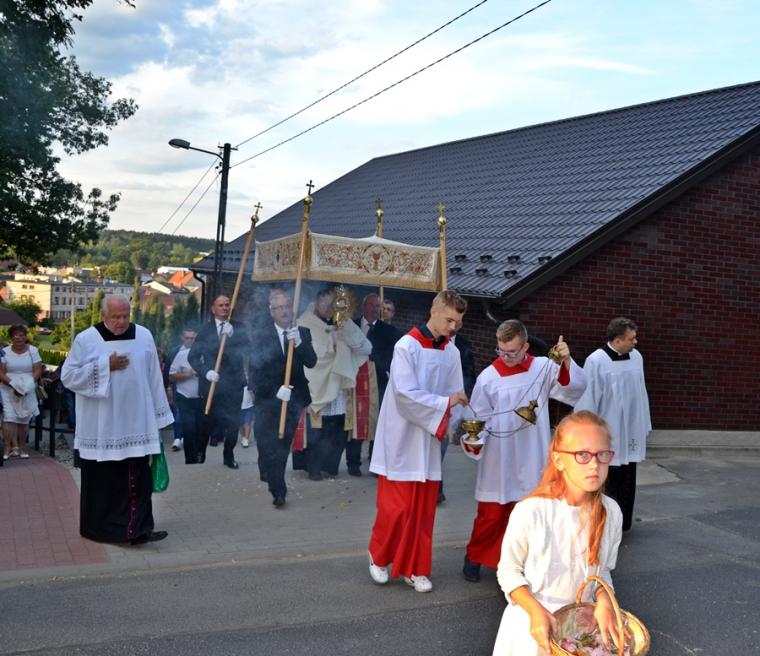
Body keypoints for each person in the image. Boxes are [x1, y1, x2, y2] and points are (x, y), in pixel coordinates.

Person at [461, 319, 586, 583]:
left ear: (525, 347)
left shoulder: (542, 367)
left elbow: (571, 388)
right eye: (500, 351)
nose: (505, 357)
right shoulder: (488, 377)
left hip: (532, 453)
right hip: (500, 456)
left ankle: (521, 566)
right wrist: (474, 440)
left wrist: (566, 360)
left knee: (530, 514)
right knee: (492, 514)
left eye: (511, 352)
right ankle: (474, 556)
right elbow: (477, 417)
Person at [492, 411, 623, 656]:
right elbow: (508, 571)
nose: (594, 464)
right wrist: (534, 611)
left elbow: (602, 570)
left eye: (602, 454)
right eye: (582, 454)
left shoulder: (611, 512)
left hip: (582, 629)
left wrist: (605, 599)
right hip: (533, 623)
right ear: (559, 459)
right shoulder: (532, 510)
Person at [367, 290, 469, 593]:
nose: (453, 327)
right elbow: (404, 394)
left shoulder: (451, 351)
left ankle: (415, 568)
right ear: (434, 311)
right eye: (449, 320)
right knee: (396, 508)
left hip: (429, 438)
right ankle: (378, 555)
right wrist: (445, 404)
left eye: (458, 322)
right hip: (401, 436)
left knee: (423, 511)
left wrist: (460, 423)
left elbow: (456, 392)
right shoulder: (406, 346)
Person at [60, 295, 172, 544]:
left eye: (125, 316)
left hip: (137, 422)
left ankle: (139, 530)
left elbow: (154, 376)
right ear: (103, 316)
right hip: (102, 426)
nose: (121, 322)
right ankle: (102, 530)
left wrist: (160, 415)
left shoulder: (144, 335)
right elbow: (68, 376)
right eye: (115, 317)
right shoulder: (87, 339)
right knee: (106, 481)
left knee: (139, 479)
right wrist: (104, 366)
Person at [574, 317, 651, 531]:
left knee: (628, 475)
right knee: (607, 478)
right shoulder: (596, 361)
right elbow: (588, 398)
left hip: (631, 428)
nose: (635, 342)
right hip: (608, 430)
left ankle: (622, 522)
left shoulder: (636, 357)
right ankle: (602, 525)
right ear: (617, 341)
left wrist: (643, 422)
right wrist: (587, 433)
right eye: (631, 339)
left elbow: (641, 392)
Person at [249, 288, 317, 507]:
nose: (284, 311)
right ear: (272, 311)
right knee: (265, 441)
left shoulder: (302, 332)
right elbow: (255, 371)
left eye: (287, 306)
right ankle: (267, 468)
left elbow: (312, 362)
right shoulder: (260, 335)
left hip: (294, 399)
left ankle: (278, 490)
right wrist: (275, 390)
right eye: (279, 308)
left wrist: (300, 344)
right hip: (267, 399)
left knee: (282, 443)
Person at [298, 288, 371, 480]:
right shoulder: (305, 322)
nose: (327, 307)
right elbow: (306, 354)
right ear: (316, 302)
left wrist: (344, 333)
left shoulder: (344, 322)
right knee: (316, 430)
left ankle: (330, 466)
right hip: (317, 384)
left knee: (337, 429)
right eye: (323, 302)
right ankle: (313, 468)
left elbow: (366, 348)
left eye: (331, 303)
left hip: (338, 386)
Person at [188, 294, 250, 469]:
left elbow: (249, 349)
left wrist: (233, 336)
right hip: (212, 384)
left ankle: (229, 455)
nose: (224, 308)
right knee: (206, 421)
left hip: (234, 383)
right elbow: (193, 357)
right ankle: (200, 453)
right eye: (220, 305)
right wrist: (206, 372)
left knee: (233, 422)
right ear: (213, 309)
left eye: (227, 305)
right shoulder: (205, 330)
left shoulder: (239, 327)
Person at [351, 292, 401, 476]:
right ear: (364, 306)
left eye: (377, 306)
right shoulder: (352, 325)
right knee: (354, 420)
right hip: (353, 380)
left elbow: (392, 355)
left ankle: (375, 462)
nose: (375, 309)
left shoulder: (389, 331)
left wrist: (374, 359)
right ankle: (353, 462)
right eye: (371, 305)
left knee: (377, 422)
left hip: (377, 382)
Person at [438, 318, 476, 503]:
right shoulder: (435, 342)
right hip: (437, 401)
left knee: (440, 449)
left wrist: (461, 391)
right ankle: (435, 490)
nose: (454, 327)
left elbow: (470, 373)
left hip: (454, 404)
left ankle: (436, 490)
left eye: (458, 323)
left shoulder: (464, 345)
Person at [0, 325, 42, 461]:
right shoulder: (4, 352)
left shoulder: (33, 351)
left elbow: (38, 370)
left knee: (24, 419)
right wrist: (13, 385)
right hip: (8, 387)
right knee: (9, 417)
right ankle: (7, 448)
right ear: (11, 337)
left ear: (25, 337)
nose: (19, 338)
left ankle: (23, 447)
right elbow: (1, 372)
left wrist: (26, 387)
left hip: (27, 387)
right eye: (16, 335)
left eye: (22, 335)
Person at [168, 328, 205, 465]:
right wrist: (188, 374)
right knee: (189, 429)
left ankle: (200, 455)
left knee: (201, 429)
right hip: (185, 397)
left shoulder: (205, 355)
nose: (190, 341)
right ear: (183, 339)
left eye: (193, 338)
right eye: (187, 338)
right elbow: (171, 376)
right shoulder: (181, 355)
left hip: (202, 398)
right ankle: (190, 460)